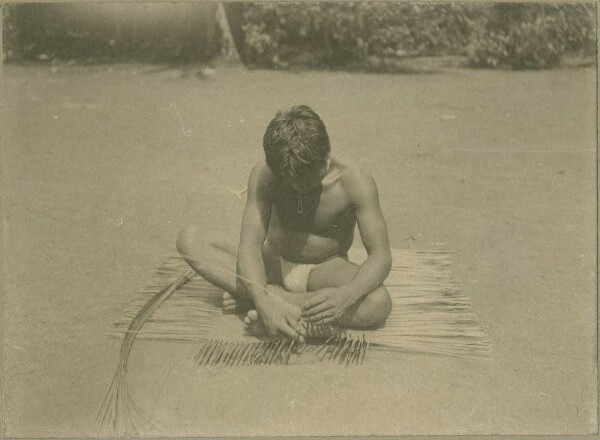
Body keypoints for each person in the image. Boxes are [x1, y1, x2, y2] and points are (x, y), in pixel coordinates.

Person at [176, 105, 392, 343]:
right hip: (273, 262)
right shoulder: (266, 173)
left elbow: (380, 256)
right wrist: (264, 302)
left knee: (378, 303)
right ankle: (271, 301)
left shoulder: (355, 182)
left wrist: (346, 296)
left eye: (308, 181)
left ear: (325, 158)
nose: (299, 190)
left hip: (323, 269)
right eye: (290, 182)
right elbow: (250, 247)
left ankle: (269, 298)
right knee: (190, 239)